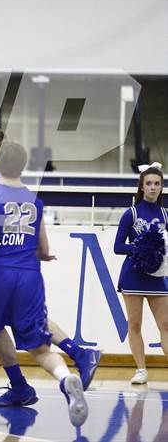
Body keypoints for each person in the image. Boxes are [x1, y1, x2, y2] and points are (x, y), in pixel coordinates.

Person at [0, 126, 101, 404]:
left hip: (2, 259)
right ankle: (29, 382)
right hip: (5, 262)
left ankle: (70, 358)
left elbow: (7, 220)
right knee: (2, 324)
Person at [114, 162, 168, 384]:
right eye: (149, 184)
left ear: (161, 187)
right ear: (142, 187)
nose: (153, 187)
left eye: (157, 183)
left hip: (156, 277)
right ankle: (141, 370)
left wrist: (157, 251)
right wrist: (140, 248)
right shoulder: (131, 214)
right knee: (134, 325)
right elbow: (118, 247)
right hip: (134, 275)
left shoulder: (166, 214)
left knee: (165, 325)